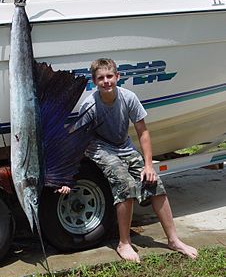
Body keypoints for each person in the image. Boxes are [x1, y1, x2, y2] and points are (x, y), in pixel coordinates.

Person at [78, 58, 198, 262]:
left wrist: (149, 166)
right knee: (125, 186)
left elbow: (143, 132)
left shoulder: (129, 97)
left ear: (117, 77)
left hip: (124, 146)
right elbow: (79, 140)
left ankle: (173, 239)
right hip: (99, 148)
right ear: (94, 81)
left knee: (155, 183)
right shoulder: (90, 105)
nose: (106, 81)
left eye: (109, 76)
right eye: (101, 78)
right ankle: (124, 243)